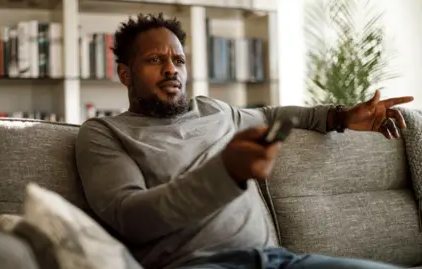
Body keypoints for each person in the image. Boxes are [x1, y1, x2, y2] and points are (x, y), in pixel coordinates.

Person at [75, 13, 414, 269]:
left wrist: (342, 117)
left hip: (279, 261)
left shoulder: (215, 111)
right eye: (154, 60)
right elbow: (130, 218)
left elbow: (280, 116)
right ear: (124, 74)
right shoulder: (104, 133)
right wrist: (225, 174)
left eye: (178, 60)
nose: (171, 69)